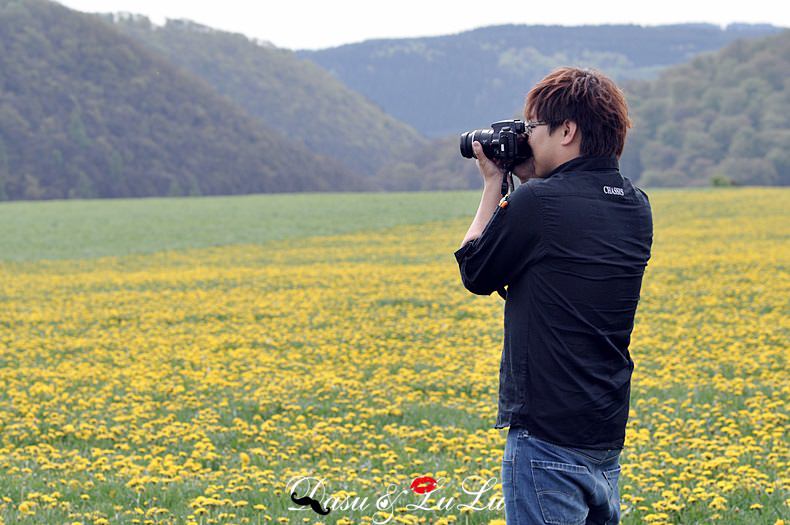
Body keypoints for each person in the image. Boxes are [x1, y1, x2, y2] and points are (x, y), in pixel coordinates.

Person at [454, 66, 653, 525]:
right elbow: (564, 248)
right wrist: (533, 181)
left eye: (532, 129)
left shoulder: (540, 203)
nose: (527, 138)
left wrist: (493, 186)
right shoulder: (636, 204)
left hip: (546, 438)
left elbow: (476, 270)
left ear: (567, 130)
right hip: (603, 434)